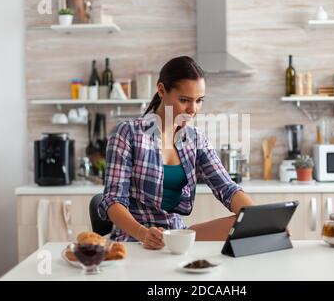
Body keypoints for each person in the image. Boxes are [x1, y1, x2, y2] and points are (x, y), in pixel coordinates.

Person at [99, 56, 254, 250]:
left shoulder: (195, 139)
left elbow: (228, 189)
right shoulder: (128, 133)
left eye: (199, 101)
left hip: (176, 235)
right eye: (184, 100)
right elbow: (113, 200)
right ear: (162, 90)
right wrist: (143, 233)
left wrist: (263, 223)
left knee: (245, 225)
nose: (193, 110)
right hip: (136, 239)